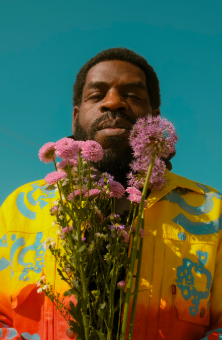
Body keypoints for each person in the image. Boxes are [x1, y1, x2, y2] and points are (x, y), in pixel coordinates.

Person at [0, 47, 221, 340]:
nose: (114, 103)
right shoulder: (18, 208)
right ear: (75, 117)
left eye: (132, 94)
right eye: (97, 94)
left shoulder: (210, 211)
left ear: (154, 118)